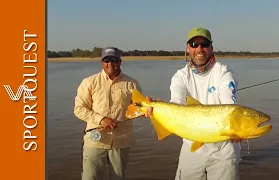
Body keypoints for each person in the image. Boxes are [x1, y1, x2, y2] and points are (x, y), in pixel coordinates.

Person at [146, 27, 242, 180]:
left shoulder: (224, 72)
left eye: (204, 44)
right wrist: (157, 109)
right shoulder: (180, 76)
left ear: (211, 47)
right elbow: (176, 102)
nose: (199, 49)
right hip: (191, 150)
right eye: (194, 44)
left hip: (224, 150)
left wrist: (236, 126)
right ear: (187, 47)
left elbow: (228, 103)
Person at [74, 46, 141, 180]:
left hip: (121, 142)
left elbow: (138, 107)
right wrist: (101, 119)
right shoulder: (89, 82)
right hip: (95, 140)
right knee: (90, 177)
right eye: (106, 60)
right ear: (102, 62)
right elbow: (79, 109)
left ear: (120, 62)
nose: (110, 63)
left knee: (118, 177)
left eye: (114, 59)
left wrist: (146, 109)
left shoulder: (132, 83)